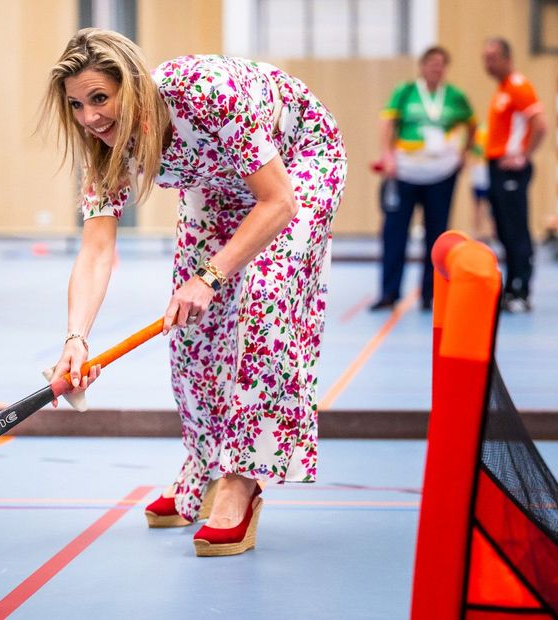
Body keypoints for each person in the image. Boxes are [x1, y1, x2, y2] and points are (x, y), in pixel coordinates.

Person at [45, 29, 346, 557]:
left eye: (100, 98)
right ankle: (205, 461)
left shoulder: (203, 93)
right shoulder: (101, 150)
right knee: (193, 329)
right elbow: (96, 250)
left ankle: (241, 479)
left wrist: (210, 276)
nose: (90, 117)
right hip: (216, 181)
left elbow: (277, 203)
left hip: (298, 163)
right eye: (76, 104)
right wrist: (76, 339)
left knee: (265, 296)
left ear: (132, 87)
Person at [372, 46, 475, 312]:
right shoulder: (405, 91)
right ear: (422, 66)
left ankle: (431, 294)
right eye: (431, 63)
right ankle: (389, 292)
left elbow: (472, 125)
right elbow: (387, 123)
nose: (436, 68)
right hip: (405, 172)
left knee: (437, 235)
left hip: (441, 174)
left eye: (441, 64)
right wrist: (388, 157)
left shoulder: (455, 96)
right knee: (394, 232)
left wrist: (464, 153)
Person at [482, 38, 547, 313]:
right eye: (485, 57)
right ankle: (510, 288)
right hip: (496, 168)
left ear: (508, 58)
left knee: (516, 230)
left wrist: (523, 155)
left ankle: (522, 289)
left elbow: (541, 125)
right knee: (504, 230)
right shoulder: (502, 90)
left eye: (493, 57)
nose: (487, 63)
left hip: (511, 170)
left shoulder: (519, 86)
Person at [469, 123, 494, 243]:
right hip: (479, 175)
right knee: (478, 207)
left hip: (486, 175)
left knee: (491, 207)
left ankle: (492, 233)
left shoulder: (489, 141)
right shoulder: (477, 141)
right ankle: (476, 232)